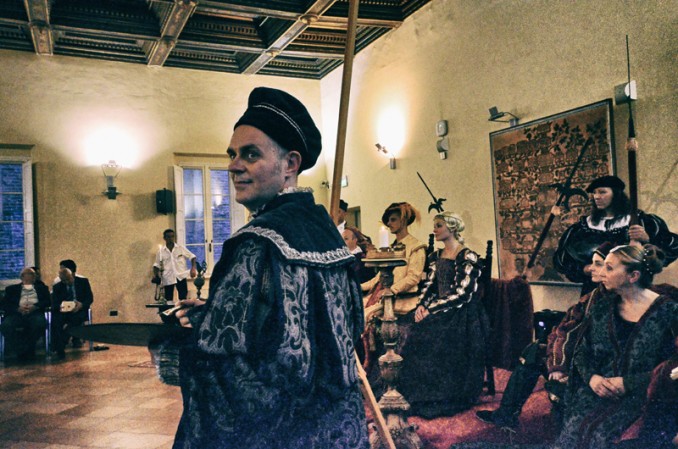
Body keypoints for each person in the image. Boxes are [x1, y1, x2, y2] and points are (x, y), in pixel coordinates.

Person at [156, 87, 367, 448]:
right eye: (233, 154)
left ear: (290, 164)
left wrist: (180, 349)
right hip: (338, 432)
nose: (234, 165)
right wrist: (213, 313)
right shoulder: (329, 236)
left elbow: (232, 375)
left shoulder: (256, 242)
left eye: (250, 154)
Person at [475, 242, 614, 430]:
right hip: (572, 356)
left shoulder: (616, 301)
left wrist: (563, 365)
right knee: (534, 351)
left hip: (592, 366)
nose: (590, 269)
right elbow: (563, 329)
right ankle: (506, 415)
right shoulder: (593, 296)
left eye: (598, 264)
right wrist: (557, 362)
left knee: (543, 361)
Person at [553, 244, 677, 449]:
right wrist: (593, 379)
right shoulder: (602, 307)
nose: (601, 272)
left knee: (603, 436)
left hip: (644, 396)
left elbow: (673, 367)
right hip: (597, 391)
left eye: (609, 268)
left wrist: (628, 383)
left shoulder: (670, 312)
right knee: (574, 430)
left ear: (633, 276)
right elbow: (582, 352)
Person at [397, 212, 490, 418]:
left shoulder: (467, 256)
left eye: (439, 225)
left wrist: (431, 310)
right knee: (405, 324)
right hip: (438, 308)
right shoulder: (435, 256)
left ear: (452, 228)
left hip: (463, 314)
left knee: (426, 332)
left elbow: (462, 293)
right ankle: (410, 390)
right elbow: (429, 286)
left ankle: (435, 395)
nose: (435, 229)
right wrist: (422, 306)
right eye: (435, 225)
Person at [554, 175, 677, 294]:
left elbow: (670, 249)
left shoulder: (643, 222)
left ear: (616, 194)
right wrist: (586, 269)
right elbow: (563, 260)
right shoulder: (582, 228)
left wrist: (647, 240)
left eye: (602, 192)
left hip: (631, 290)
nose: (596, 197)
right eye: (594, 193)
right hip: (594, 292)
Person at [361, 202, 426, 319]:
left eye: (393, 220)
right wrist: (357, 287)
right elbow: (378, 279)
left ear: (404, 221)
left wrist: (391, 290)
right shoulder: (391, 248)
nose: (389, 224)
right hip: (381, 295)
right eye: (388, 220)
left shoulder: (416, 246)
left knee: (365, 316)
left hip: (401, 298)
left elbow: (413, 277)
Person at [0, 267, 50, 361]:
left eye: (34, 275)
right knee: (5, 326)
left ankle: (26, 348)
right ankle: (22, 348)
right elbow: (4, 304)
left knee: (40, 324)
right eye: (31, 274)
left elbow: (48, 301)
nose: (34, 276)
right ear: (22, 277)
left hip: (34, 313)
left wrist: (35, 306)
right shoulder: (12, 289)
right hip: (16, 314)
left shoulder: (42, 288)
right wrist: (17, 309)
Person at [51, 260, 93, 359]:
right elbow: (54, 303)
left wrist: (81, 305)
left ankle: (60, 345)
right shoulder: (57, 286)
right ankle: (60, 346)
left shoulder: (83, 282)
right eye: (63, 281)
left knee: (76, 319)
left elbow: (89, 298)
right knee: (55, 321)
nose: (66, 282)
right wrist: (61, 306)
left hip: (79, 310)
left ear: (73, 274)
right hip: (63, 311)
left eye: (68, 280)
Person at [152, 229, 198, 302]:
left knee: (183, 299)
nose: (170, 238)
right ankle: (170, 309)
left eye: (172, 236)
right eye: (168, 237)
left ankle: (181, 309)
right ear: (164, 238)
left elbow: (192, 257)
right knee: (168, 300)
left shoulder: (180, 248)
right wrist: (156, 275)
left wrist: (193, 268)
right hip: (168, 277)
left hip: (181, 276)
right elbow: (156, 265)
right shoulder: (161, 251)